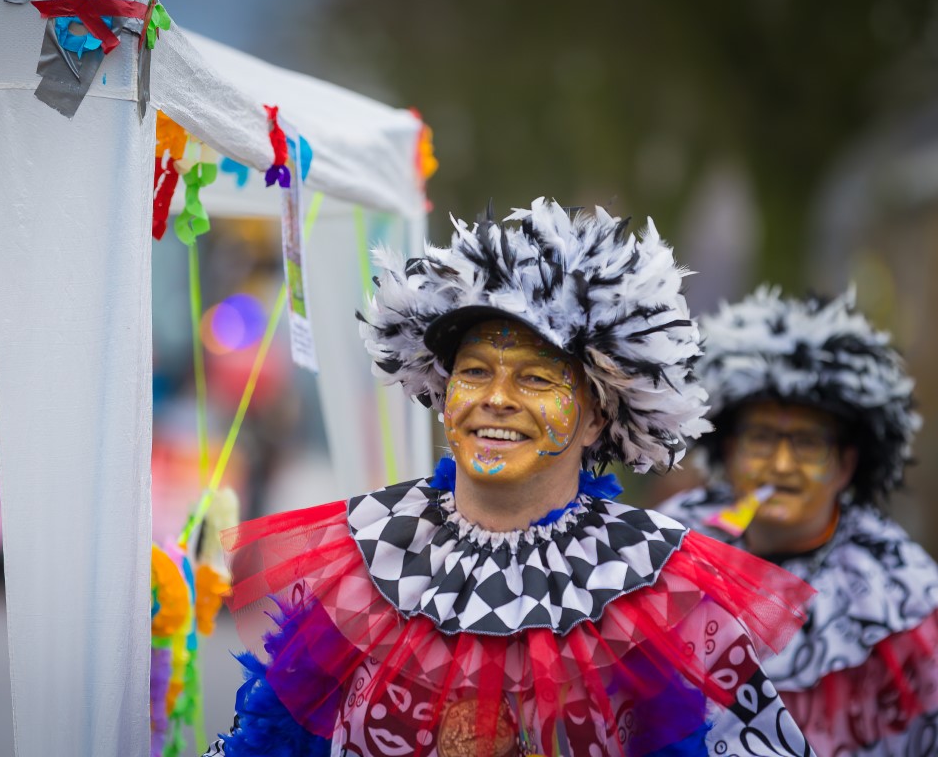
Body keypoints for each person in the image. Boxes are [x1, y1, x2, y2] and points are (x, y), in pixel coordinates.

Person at [203, 202, 817, 757]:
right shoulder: (371, 554)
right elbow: (263, 744)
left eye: (535, 378)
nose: (495, 399)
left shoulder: (657, 582)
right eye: (474, 371)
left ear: (596, 416)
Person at [658, 286, 938, 755]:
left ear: (846, 464)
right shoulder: (667, 545)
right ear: (728, 451)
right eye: (762, 437)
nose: (782, 465)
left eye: (808, 443)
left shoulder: (901, 594)